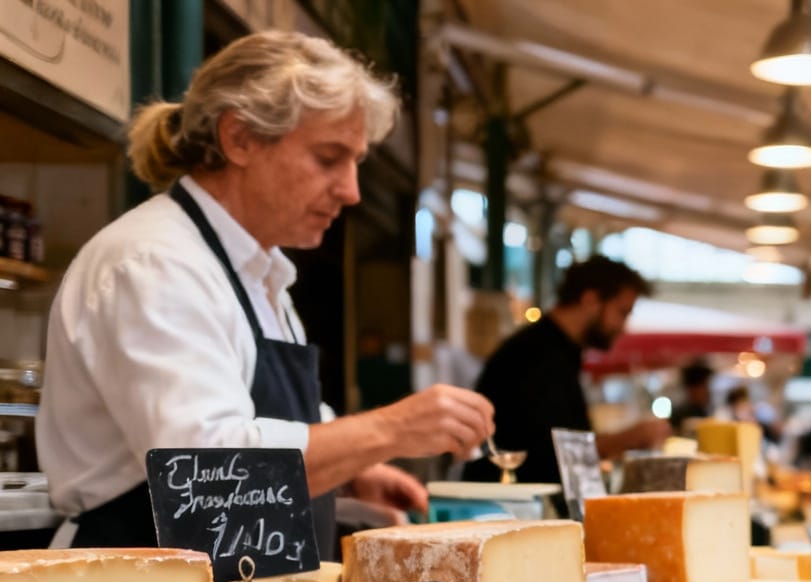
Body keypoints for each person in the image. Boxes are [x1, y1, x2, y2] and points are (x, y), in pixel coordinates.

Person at [40, 31, 494, 550]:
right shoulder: (155, 264)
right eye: (329, 158)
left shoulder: (260, 273)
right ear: (239, 139)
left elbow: (269, 422)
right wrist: (391, 429)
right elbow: (209, 476)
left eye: (356, 163)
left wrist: (352, 472)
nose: (351, 192)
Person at [462, 257, 669, 485]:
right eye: (622, 312)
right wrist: (629, 438)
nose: (623, 326)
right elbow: (556, 452)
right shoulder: (536, 355)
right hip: (505, 506)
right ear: (590, 300)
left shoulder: (556, 351)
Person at [672, 361, 715, 427]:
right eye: (704, 387)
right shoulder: (681, 414)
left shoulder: (703, 410)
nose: (708, 392)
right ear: (692, 389)